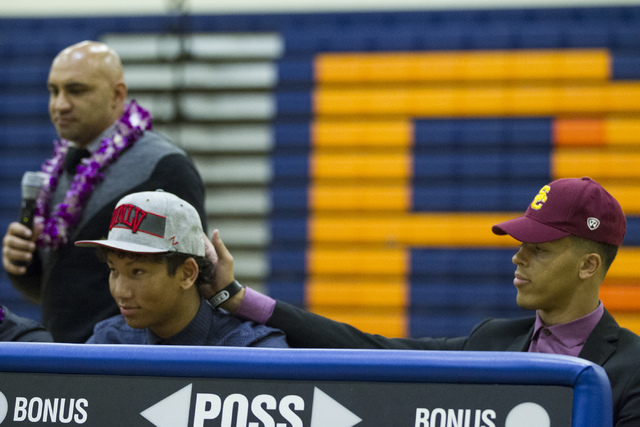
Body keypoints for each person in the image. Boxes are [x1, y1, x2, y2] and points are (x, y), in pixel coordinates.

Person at [201, 177, 640, 427]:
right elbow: (374, 351)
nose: (517, 256)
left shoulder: (632, 367)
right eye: (521, 243)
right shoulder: (492, 340)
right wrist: (236, 297)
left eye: (539, 249)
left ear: (588, 266)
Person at [1, 41, 206, 343]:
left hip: (121, 359)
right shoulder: (59, 170)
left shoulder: (163, 168)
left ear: (117, 95)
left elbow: (187, 286)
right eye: (54, 91)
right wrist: (23, 265)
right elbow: (59, 289)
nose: (60, 104)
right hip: (65, 354)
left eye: (76, 90)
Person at [77, 190, 287, 347]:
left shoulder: (252, 351)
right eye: (114, 271)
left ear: (187, 273)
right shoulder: (109, 341)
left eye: (137, 272)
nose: (121, 291)